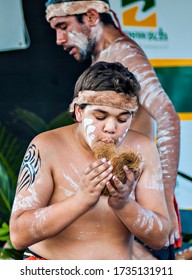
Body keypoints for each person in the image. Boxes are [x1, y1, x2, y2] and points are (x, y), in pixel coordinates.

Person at [44, 0, 181, 260]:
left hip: (138, 201)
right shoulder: (105, 56)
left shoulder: (124, 53)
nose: (59, 39)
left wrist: (163, 197)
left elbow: (167, 116)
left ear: (92, 17)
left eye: (63, 26)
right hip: (119, 197)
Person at [9, 61, 170, 260]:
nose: (111, 128)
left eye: (122, 119)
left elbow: (161, 238)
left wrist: (124, 204)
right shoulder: (46, 146)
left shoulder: (143, 148)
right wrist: (81, 199)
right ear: (78, 111)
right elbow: (18, 235)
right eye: (100, 116)